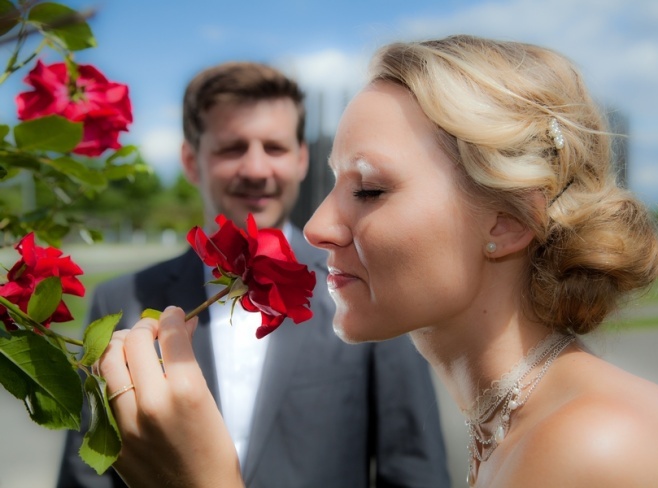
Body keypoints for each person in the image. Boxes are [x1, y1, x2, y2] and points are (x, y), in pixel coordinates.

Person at [96, 35, 658, 487]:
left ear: (508, 221)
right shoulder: (513, 429)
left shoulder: (600, 446)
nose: (316, 227)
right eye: (333, 182)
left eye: (368, 189)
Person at [56, 61, 450, 488]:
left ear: (302, 159)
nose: (258, 170)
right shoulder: (121, 299)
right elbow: (88, 472)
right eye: (232, 148)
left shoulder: (370, 285)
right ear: (191, 161)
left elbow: (415, 471)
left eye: (275, 148)